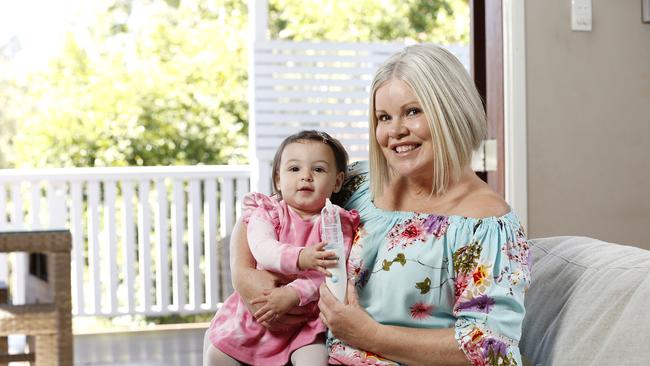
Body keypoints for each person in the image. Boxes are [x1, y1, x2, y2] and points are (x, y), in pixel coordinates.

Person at [228, 44, 532, 365]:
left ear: (451, 110)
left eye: (413, 111)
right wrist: (242, 274)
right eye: (383, 117)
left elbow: (492, 349)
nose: (395, 131)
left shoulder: (487, 226)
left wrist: (368, 335)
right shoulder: (359, 183)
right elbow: (267, 211)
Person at [204, 130, 360, 366]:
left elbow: (332, 275)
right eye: (294, 169)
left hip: (304, 323)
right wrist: (302, 257)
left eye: (318, 169)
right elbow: (263, 250)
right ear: (278, 179)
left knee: (314, 361)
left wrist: (293, 293)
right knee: (217, 355)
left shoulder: (336, 222)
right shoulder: (267, 212)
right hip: (256, 313)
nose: (306, 176)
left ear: (337, 181)